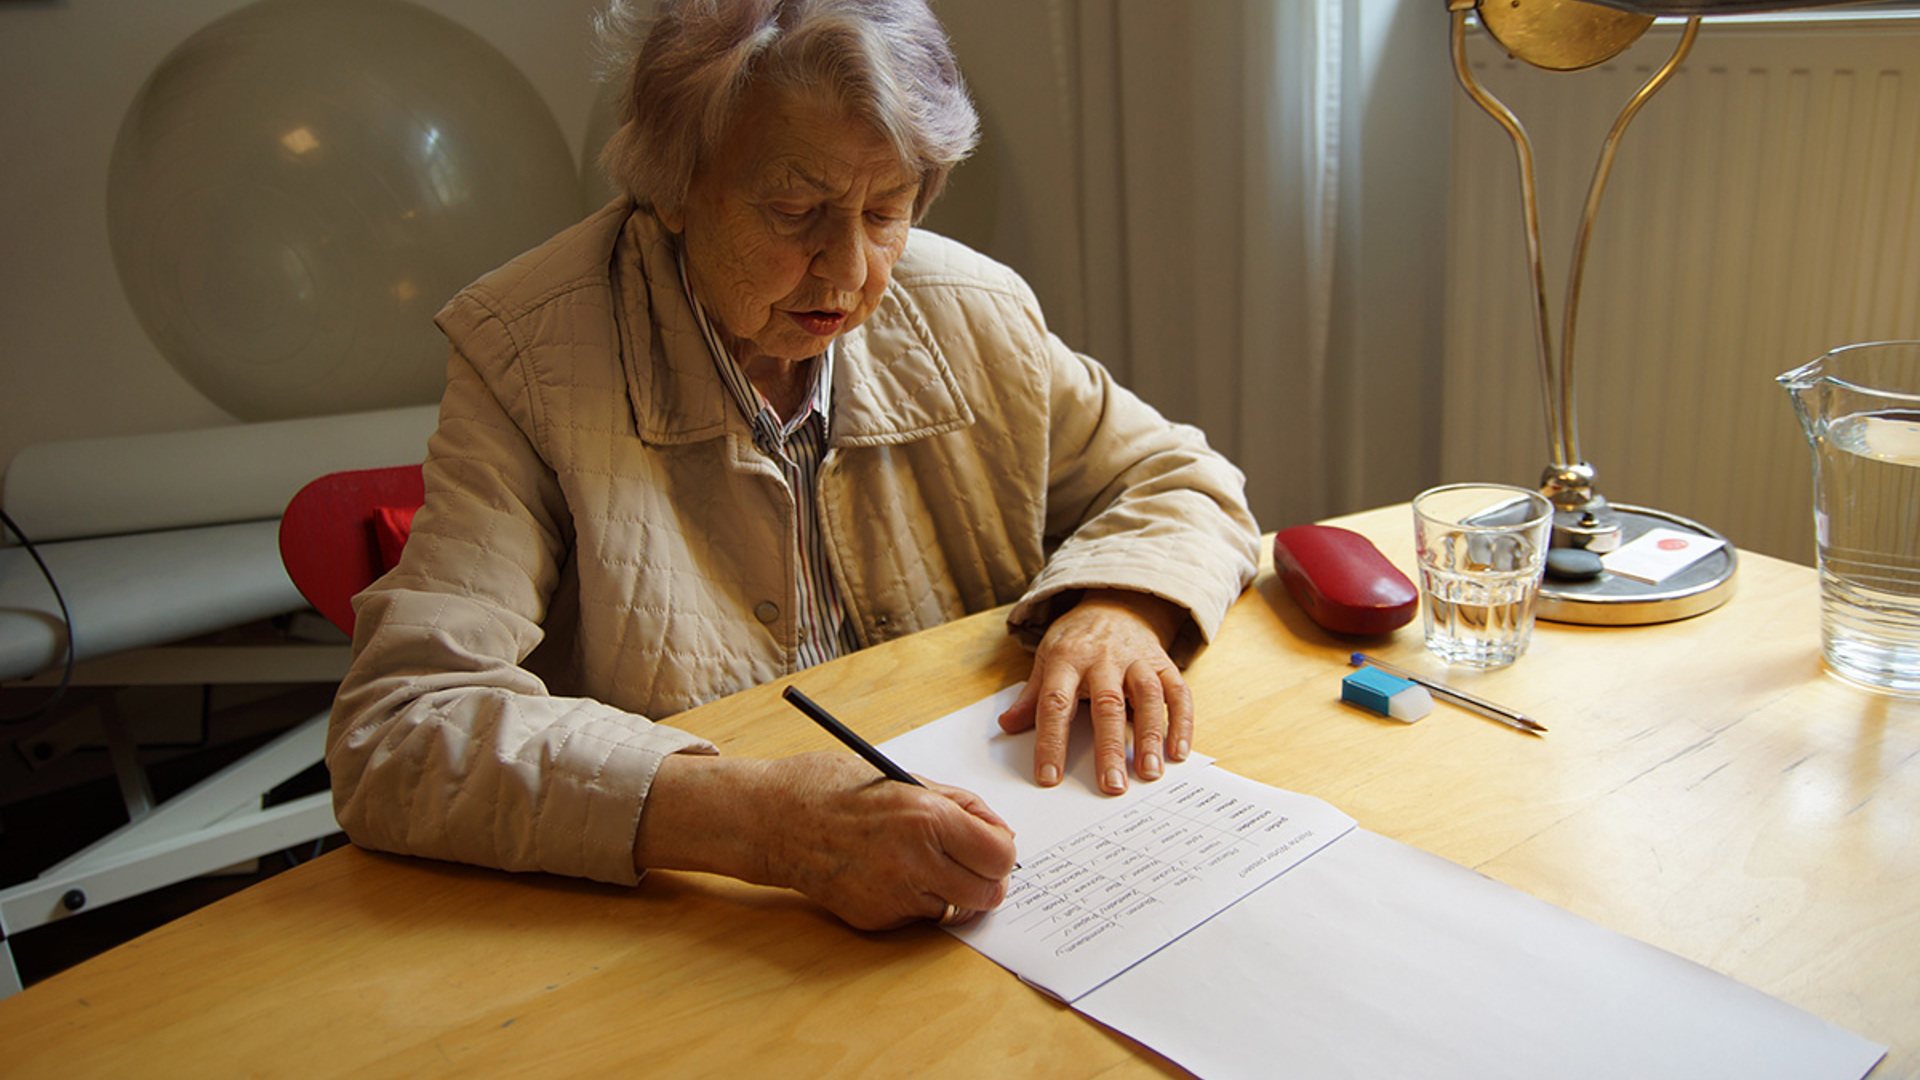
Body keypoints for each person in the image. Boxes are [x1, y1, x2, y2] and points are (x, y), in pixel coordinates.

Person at [326, 0, 1260, 932]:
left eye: (886, 211)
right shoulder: (529, 356)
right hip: (709, 922)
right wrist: (763, 824)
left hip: (986, 871)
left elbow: (1181, 479)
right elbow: (399, 729)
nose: (848, 270)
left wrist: (1118, 606)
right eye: (794, 211)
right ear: (673, 185)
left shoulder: (969, 310)